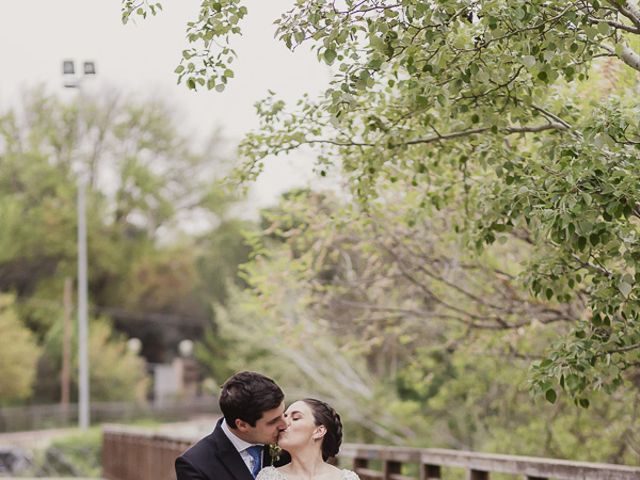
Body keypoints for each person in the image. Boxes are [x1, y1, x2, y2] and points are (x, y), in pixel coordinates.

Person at [175, 371, 288, 480]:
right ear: (242, 425)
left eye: (284, 414)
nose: (285, 424)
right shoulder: (194, 465)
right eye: (273, 421)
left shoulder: (290, 444)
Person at [256, 398, 359, 480]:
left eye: (295, 418)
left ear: (319, 431)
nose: (283, 424)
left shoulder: (346, 478)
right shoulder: (268, 477)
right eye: (285, 416)